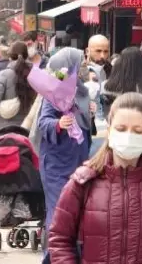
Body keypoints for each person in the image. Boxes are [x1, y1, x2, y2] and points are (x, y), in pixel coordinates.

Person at [49, 92, 142, 264]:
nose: (128, 135)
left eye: (137, 131)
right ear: (109, 131)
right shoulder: (82, 182)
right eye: (121, 129)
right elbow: (60, 240)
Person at [38, 47, 91, 264]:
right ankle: (52, 258)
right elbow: (43, 122)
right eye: (81, 62)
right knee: (59, 211)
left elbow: (86, 124)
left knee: (76, 211)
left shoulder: (81, 90)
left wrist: (90, 115)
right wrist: (58, 124)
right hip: (57, 163)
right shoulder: (54, 90)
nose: (85, 65)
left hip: (79, 160)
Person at [0, 41, 36, 143]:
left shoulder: (4, 75)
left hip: (3, 129)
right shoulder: (35, 73)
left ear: (10, 56)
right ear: (27, 55)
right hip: (28, 128)